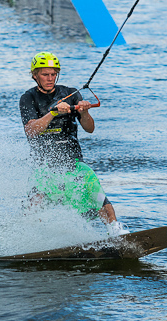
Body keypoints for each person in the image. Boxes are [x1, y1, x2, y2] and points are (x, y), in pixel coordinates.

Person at [19, 51, 128, 236]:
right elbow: (31, 131)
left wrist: (84, 113)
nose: (50, 78)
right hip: (44, 165)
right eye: (45, 74)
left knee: (97, 193)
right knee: (35, 201)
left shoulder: (70, 93)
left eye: (54, 74)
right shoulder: (28, 98)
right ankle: (29, 238)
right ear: (35, 75)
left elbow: (90, 128)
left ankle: (115, 231)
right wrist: (53, 112)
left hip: (73, 162)